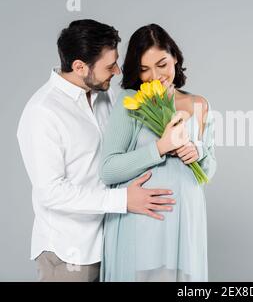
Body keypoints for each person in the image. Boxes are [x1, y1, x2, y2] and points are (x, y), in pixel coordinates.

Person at [17, 20, 176, 282]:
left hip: (114, 242)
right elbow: (51, 192)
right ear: (80, 67)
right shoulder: (43, 112)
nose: (117, 70)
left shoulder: (107, 95)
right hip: (71, 252)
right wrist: (123, 200)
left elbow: (125, 150)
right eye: (109, 65)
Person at [100, 24, 217, 281]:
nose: (155, 76)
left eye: (162, 64)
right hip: (144, 220)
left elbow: (207, 171)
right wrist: (160, 147)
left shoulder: (199, 104)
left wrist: (198, 154)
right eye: (144, 69)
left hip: (186, 220)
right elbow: (108, 170)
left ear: (175, 56)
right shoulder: (131, 102)